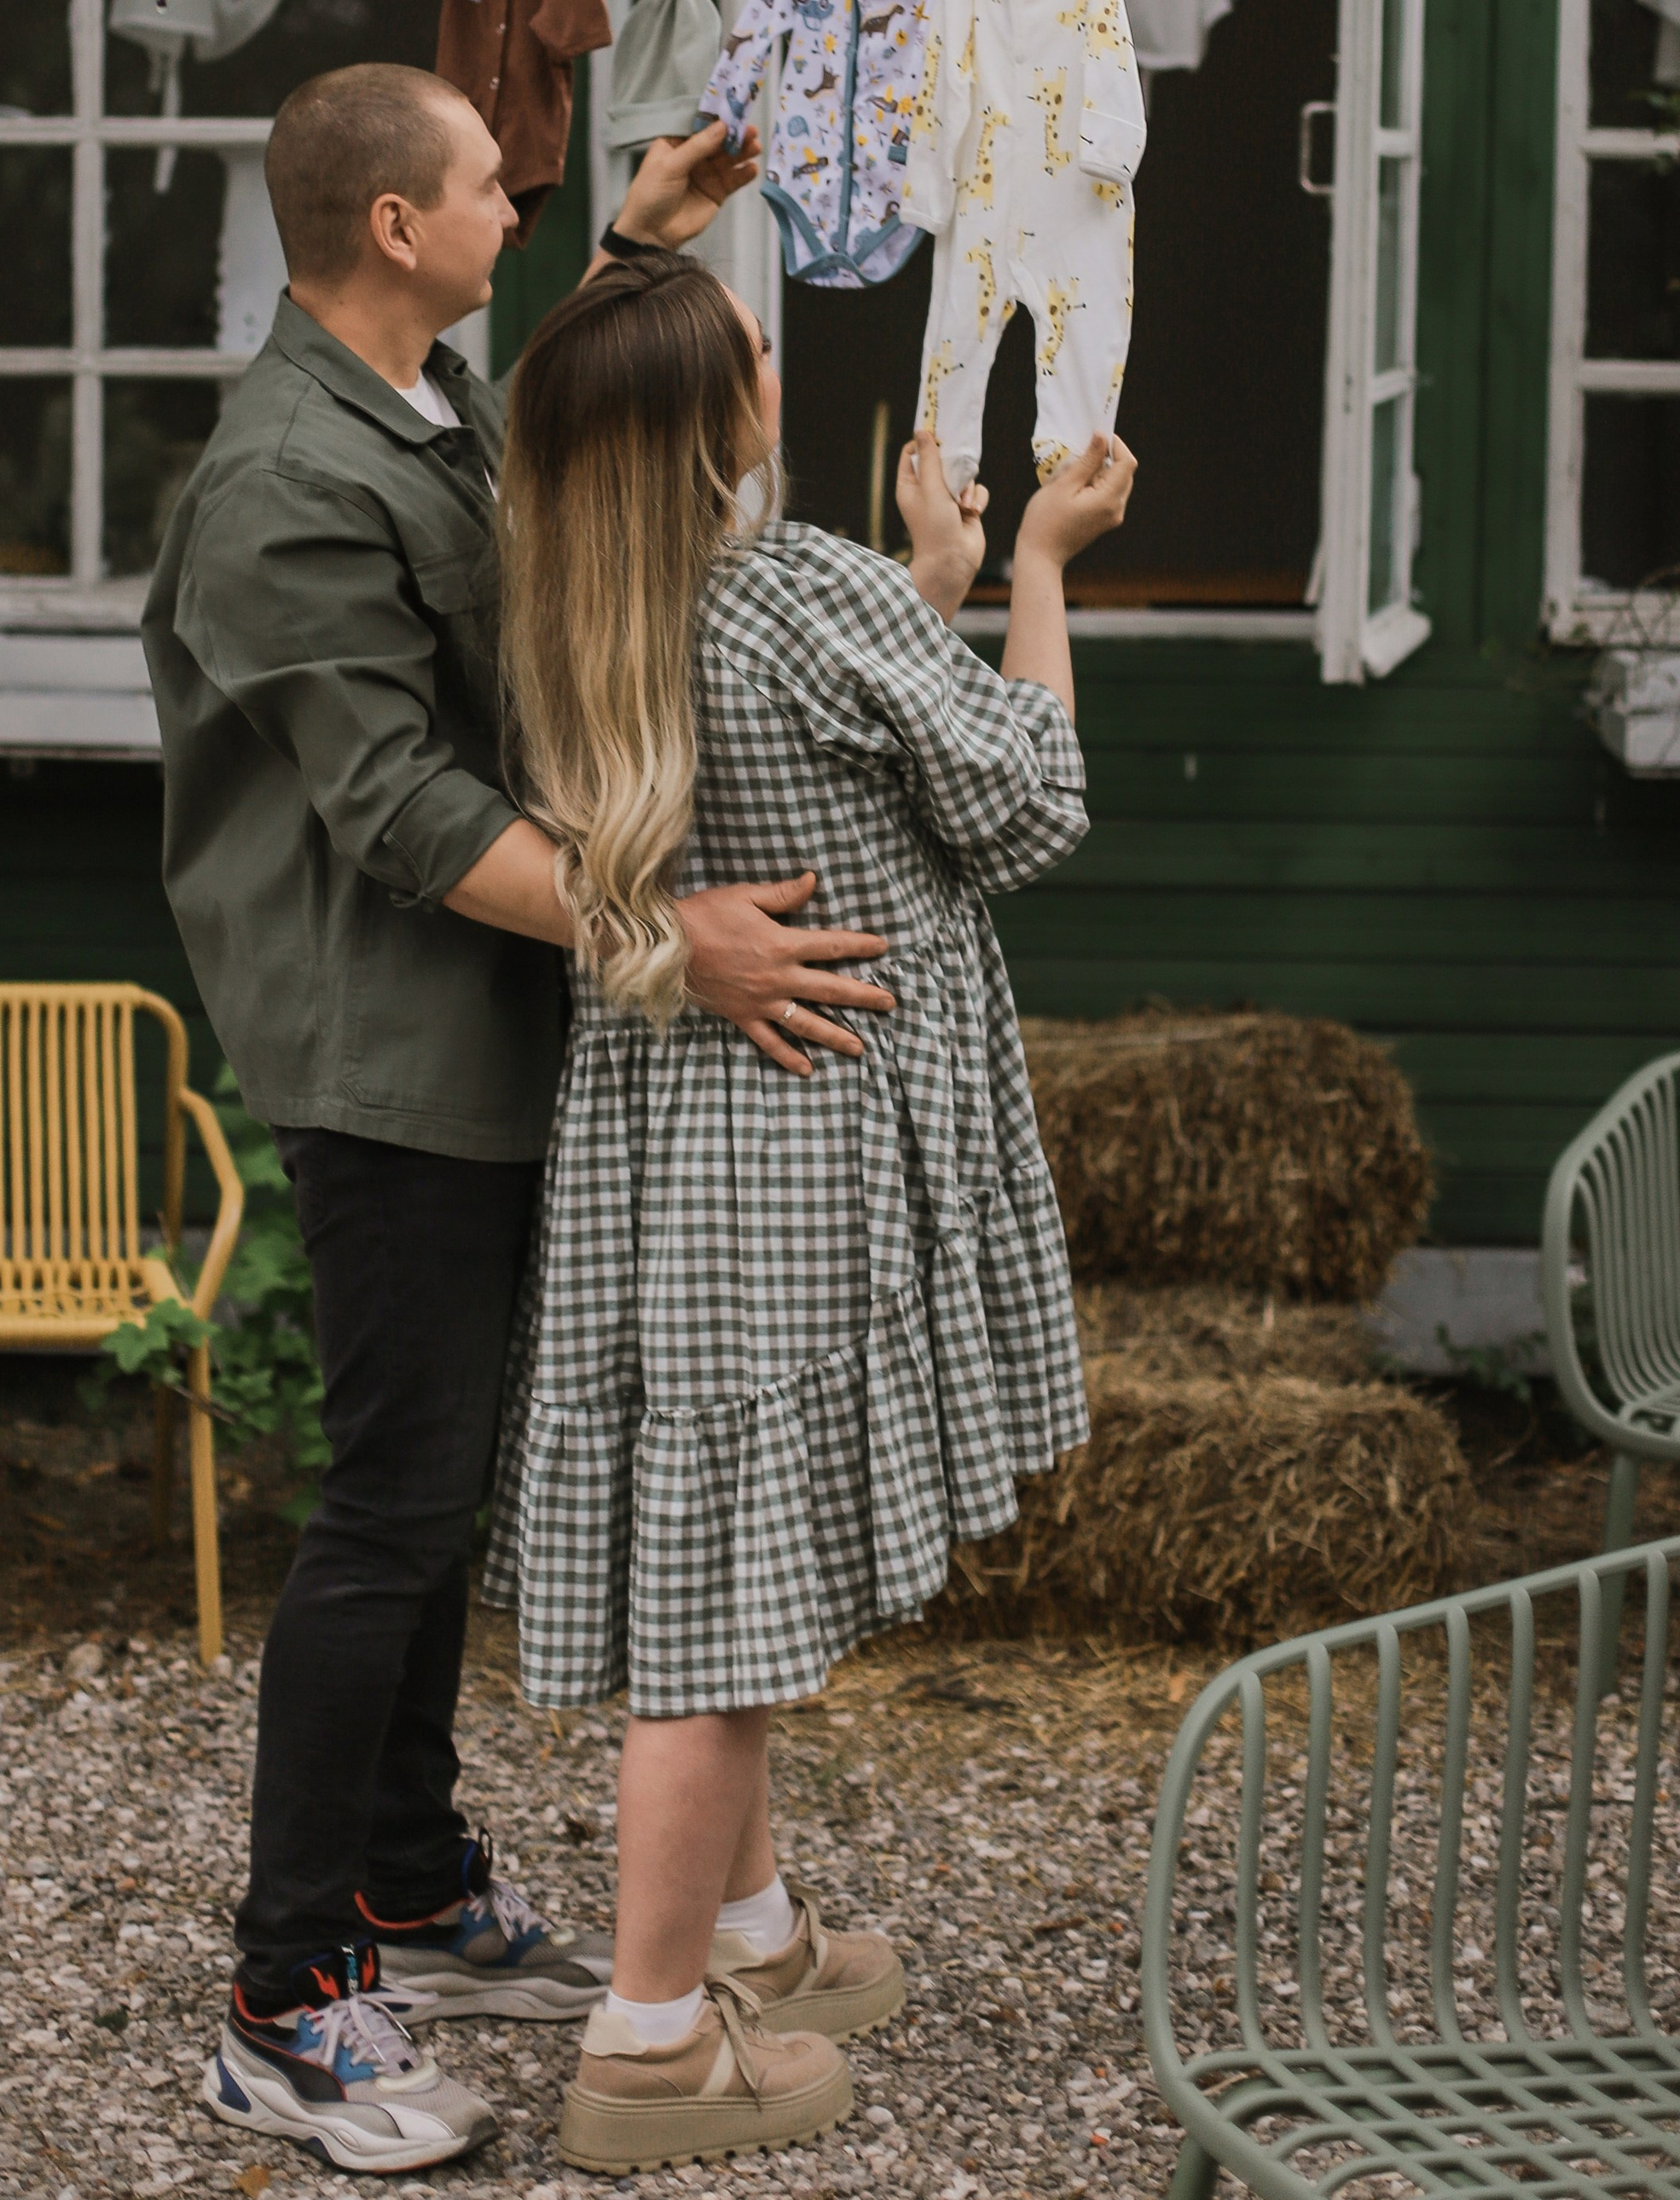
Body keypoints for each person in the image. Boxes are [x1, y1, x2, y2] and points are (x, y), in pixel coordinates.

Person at [144, 63, 898, 2175]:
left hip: (480, 1041)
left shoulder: (412, 402)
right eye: (493, 182)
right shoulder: (287, 482)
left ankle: (404, 1885)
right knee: (391, 1509)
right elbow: (397, 809)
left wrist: (641, 257)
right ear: (394, 226)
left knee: (436, 1491)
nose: (520, 197)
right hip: (387, 1059)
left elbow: (559, 451)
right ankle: (287, 2001)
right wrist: (678, 935)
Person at [484, 247, 1134, 2176]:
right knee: (722, 1626)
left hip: (662, 1144)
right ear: (720, 422)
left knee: (717, 1545)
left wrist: (918, 590)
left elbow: (821, 732)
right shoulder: (794, 591)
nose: (776, 358)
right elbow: (1022, 802)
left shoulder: (571, 616)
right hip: (810, 1131)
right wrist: (1032, 566)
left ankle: (754, 1935)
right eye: (753, 349)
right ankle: (649, 2042)